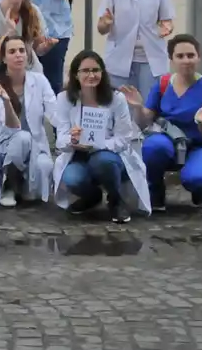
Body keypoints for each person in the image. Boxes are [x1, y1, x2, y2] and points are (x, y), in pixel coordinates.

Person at [49, 50, 148, 223]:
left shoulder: (117, 98)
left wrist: (98, 145)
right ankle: (92, 196)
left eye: (95, 70)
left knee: (103, 161)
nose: (91, 75)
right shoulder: (64, 99)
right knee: (72, 177)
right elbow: (61, 139)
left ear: (102, 73)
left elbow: (124, 138)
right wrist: (72, 140)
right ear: (76, 74)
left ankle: (116, 200)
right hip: (78, 155)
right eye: (85, 71)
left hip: (111, 155)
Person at [129, 33, 202, 209]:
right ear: (171, 59)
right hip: (169, 141)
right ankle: (155, 191)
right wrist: (137, 107)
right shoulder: (163, 84)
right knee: (152, 147)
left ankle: (199, 190)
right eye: (180, 56)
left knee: (199, 178)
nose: (186, 60)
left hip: (201, 145)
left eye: (190, 55)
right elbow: (144, 123)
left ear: (198, 57)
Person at [0, 35, 56, 207]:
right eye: (12, 52)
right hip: (4, 143)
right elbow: (11, 125)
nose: (18, 55)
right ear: (4, 58)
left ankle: (23, 185)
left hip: (35, 144)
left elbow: (54, 112)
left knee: (44, 165)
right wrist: (6, 101)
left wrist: (69, 128)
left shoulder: (40, 80)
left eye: (22, 50)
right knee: (22, 137)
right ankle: (9, 186)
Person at [97, 0, 174, 96]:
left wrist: (167, 28)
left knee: (148, 103)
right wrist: (105, 24)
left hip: (151, 59)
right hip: (119, 59)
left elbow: (167, 20)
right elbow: (101, 28)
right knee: (121, 104)